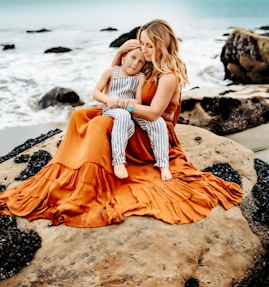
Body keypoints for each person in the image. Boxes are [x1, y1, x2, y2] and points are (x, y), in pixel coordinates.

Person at [0, 19, 242, 228]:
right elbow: (119, 76)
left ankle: (91, 182)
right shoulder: (148, 67)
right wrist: (118, 56)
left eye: (149, 45)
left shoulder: (168, 76)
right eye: (143, 44)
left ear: (162, 45)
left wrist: (120, 104)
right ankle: (69, 172)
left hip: (153, 129)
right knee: (80, 116)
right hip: (134, 118)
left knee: (99, 125)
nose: (144, 51)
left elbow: (154, 113)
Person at [93, 47, 172, 181]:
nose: (135, 63)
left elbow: (138, 101)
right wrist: (108, 100)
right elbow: (96, 92)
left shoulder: (139, 77)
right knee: (123, 117)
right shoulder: (111, 72)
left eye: (141, 62)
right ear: (123, 57)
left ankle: (163, 164)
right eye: (133, 58)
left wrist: (121, 102)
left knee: (157, 121)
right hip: (112, 109)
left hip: (130, 108)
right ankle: (118, 161)